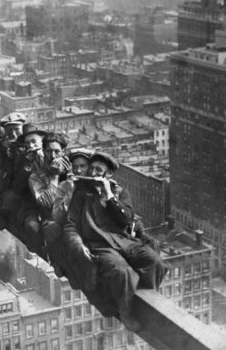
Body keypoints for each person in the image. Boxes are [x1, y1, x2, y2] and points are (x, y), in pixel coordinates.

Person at [63, 152, 168, 332]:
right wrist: (78, 245)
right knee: (122, 271)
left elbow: (127, 219)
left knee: (154, 262)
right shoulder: (81, 194)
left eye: (99, 170)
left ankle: (144, 298)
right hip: (100, 245)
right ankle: (126, 312)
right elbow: (70, 225)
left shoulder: (119, 192)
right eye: (92, 168)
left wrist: (110, 195)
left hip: (125, 241)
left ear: (108, 174)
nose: (94, 173)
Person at [27, 132, 72, 268]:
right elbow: (48, 202)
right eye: (48, 151)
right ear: (44, 151)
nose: (52, 156)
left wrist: (70, 175)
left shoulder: (72, 167)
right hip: (52, 218)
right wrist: (54, 177)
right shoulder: (35, 177)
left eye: (57, 151)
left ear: (63, 152)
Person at [51, 148, 94, 225]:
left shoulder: (97, 184)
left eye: (83, 166)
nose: (78, 171)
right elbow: (56, 217)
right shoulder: (64, 185)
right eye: (75, 167)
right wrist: (69, 193)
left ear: (90, 167)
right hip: (72, 227)